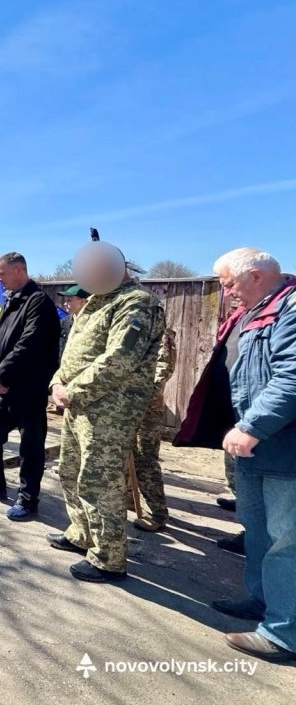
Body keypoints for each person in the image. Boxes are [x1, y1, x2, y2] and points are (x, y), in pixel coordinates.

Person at [49, 242, 164, 583]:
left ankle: (108, 558)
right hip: (77, 406)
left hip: (110, 410)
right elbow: (73, 351)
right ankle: (82, 533)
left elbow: (119, 359)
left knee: (100, 481)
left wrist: (72, 391)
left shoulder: (137, 302)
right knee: (69, 471)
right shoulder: (97, 300)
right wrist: (56, 382)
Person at [203, 248, 296, 664]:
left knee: (286, 539)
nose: (226, 293)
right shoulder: (256, 311)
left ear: (256, 276)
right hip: (254, 449)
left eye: (229, 284)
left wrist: (252, 426)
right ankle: (262, 602)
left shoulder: (289, 309)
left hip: (282, 447)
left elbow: (291, 377)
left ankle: (284, 632)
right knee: (257, 530)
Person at [0, 253, 60, 520]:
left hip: (28, 389)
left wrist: (2, 376)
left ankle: (28, 500)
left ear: (19, 270)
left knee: (31, 446)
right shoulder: (11, 300)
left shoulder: (37, 302)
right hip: (3, 387)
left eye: (2, 274)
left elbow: (29, 344)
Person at [175, 295, 248, 554]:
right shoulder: (241, 317)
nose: (230, 295)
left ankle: (253, 532)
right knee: (236, 468)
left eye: (233, 286)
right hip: (232, 410)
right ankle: (242, 503)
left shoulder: (275, 317)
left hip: (252, 417)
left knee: (252, 474)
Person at [131, 327, 177, 532]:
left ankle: (157, 512)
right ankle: (128, 499)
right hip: (122, 404)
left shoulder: (159, 331)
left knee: (145, 458)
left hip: (145, 407)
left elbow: (163, 368)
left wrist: (140, 395)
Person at [56, 285, 90, 360]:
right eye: (65, 301)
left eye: (69, 300)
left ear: (82, 301)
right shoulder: (64, 322)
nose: (65, 304)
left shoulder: (93, 322)